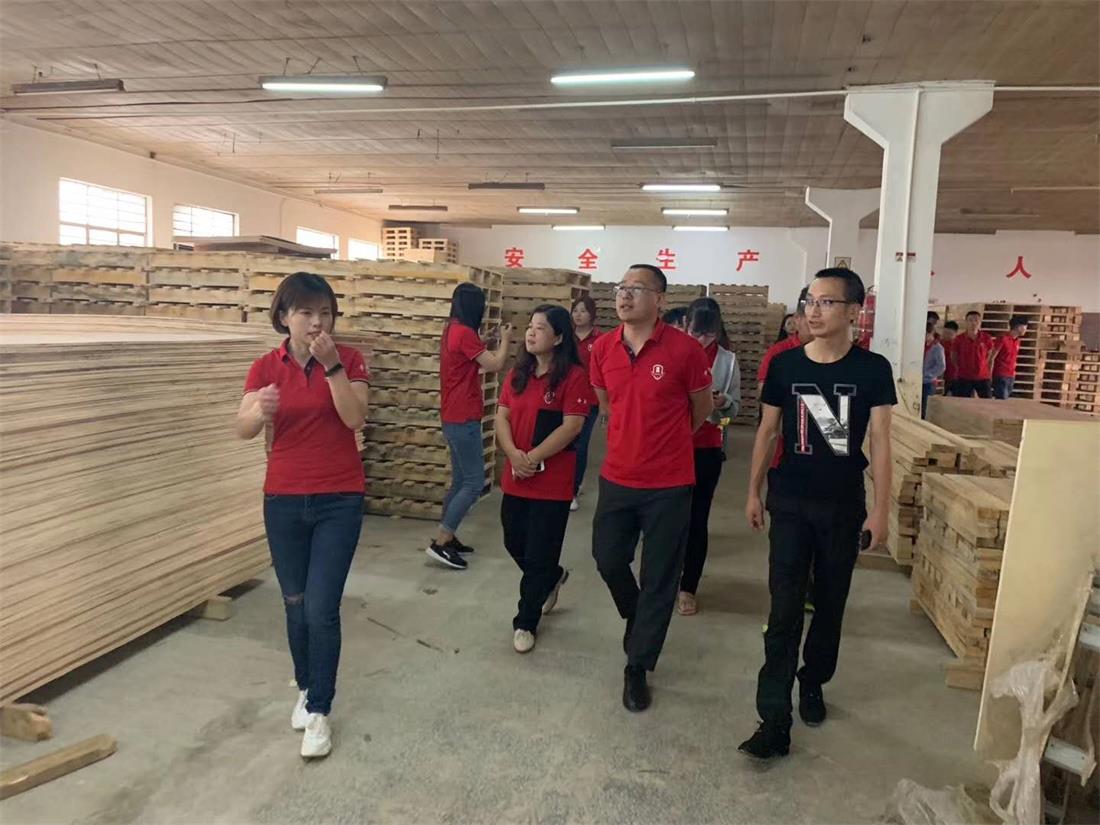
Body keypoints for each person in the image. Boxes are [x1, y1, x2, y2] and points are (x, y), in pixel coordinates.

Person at [740, 267, 896, 760]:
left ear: (854, 312)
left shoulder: (873, 369)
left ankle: (813, 680)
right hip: (789, 502)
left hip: (843, 506)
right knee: (783, 609)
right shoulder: (785, 366)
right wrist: (753, 490)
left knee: (830, 604)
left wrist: (881, 511)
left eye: (827, 302)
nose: (814, 310)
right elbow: (767, 432)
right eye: (810, 300)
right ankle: (773, 719)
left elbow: (881, 442)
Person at [236, 272, 370, 759]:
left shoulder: (349, 359)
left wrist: (332, 368)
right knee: (294, 603)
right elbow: (242, 427)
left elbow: (355, 417)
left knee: (321, 608)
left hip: (339, 499)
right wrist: (259, 411)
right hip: (284, 500)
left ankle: (319, 710)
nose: (317, 322)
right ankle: (306, 684)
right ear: (284, 316)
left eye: (325, 313)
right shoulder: (264, 368)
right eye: (306, 312)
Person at [588, 264, 714, 713]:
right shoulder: (603, 348)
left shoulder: (685, 350)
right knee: (607, 557)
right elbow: (607, 402)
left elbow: (701, 409)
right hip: (617, 478)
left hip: (669, 484)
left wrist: (668, 441)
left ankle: (637, 667)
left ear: (660, 299)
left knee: (660, 577)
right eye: (621, 288)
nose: (625, 296)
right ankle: (637, 614)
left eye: (637, 289)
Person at [496, 305, 595, 653]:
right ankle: (551, 577)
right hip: (516, 475)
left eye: (540, 327)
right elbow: (502, 417)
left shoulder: (573, 377)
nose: (531, 332)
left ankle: (526, 621)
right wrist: (513, 455)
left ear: (558, 337)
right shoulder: (517, 374)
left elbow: (573, 426)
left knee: (540, 552)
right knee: (514, 540)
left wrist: (533, 457)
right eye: (530, 326)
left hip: (552, 482)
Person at [429, 283, 513, 569]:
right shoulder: (464, 333)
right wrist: (505, 340)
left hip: (452, 414)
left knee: (460, 480)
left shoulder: (452, 330)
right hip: (463, 415)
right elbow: (495, 364)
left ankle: (447, 535)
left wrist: (485, 340)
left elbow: (468, 355)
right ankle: (441, 542)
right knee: (474, 482)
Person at [676, 304, 740, 616]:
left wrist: (723, 402)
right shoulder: (674, 352)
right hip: (671, 445)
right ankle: (662, 580)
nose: (701, 340)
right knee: (666, 518)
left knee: (697, 519)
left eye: (708, 334)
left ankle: (688, 586)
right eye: (695, 332)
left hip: (707, 446)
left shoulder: (727, 361)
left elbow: (733, 411)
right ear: (685, 325)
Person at [570, 295, 602, 511]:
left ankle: (572, 490)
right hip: (567, 399)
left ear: (592, 314)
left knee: (580, 444)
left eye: (583, 311)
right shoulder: (566, 337)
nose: (578, 315)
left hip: (590, 400)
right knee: (567, 443)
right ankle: (567, 484)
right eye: (575, 310)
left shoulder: (600, 340)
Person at [950, 311, 995, 398]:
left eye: (976, 320)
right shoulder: (959, 339)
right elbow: (953, 357)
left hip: (983, 377)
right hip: (964, 376)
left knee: (987, 402)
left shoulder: (986, 338)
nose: (973, 323)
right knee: (962, 402)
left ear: (980, 322)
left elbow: (989, 356)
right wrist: (961, 367)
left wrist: (988, 372)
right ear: (966, 322)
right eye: (970, 320)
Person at [992, 315, 1028, 400]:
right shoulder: (1002, 338)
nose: (1026, 330)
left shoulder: (1017, 341)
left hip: (1011, 376)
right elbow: (992, 357)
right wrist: (989, 375)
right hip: (1000, 375)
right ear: (1018, 327)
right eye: (1025, 327)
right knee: (1002, 400)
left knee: (1006, 400)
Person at [922, 321, 946, 419]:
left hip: (929, 382)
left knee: (925, 408)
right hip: (917, 380)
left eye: (925, 334)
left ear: (930, 334)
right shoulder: (921, 345)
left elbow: (941, 366)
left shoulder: (937, 348)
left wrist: (928, 374)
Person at [940, 321, 959, 395]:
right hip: (942, 376)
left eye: (949, 333)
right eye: (945, 332)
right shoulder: (939, 343)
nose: (946, 335)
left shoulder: (958, 345)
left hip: (954, 376)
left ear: (955, 333)